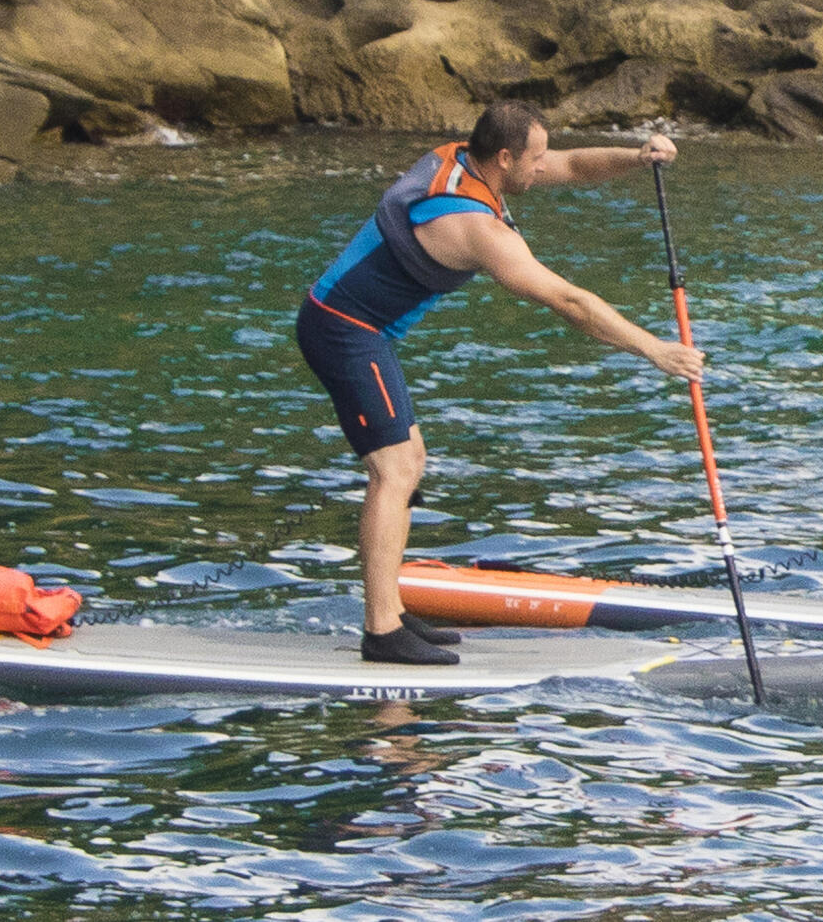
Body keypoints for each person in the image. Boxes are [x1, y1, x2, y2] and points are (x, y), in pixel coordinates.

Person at [297, 100, 704, 665]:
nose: (544, 167)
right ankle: (381, 631)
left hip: (358, 329)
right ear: (506, 157)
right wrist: (655, 349)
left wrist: (637, 157)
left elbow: (572, 165)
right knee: (396, 468)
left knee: (407, 459)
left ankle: (389, 609)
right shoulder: (473, 226)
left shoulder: (464, 158)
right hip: (344, 329)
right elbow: (570, 301)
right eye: (533, 159)